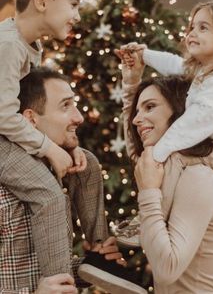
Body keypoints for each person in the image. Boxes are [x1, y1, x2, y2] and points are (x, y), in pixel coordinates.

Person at [0, 67, 146, 294]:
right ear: (31, 119)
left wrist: (86, 266)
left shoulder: (57, 170)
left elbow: (29, 270)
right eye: (65, 106)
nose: (79, 117)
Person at [0, 0, 87, 278]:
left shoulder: (28, 46)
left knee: (86, 164)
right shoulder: (8, 46)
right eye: (74, 4)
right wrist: (48, 148)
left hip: (7, 136)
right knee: (48, 196)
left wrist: (63, 143)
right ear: (41, 1)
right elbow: (5, 117)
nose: (77, 15)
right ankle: (58, 280)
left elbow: (27, 112)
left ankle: (97, 251)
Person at [120, 51, 213, 293]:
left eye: (150, 107)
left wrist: (149, 193)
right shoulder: (170, 165)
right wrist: (131, 83)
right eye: (137, 112)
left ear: (181, 113)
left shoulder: (199, 177)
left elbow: (166, 268)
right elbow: (136, 153)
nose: (136, 120)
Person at [119, 0, 213, 163]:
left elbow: (189, 126)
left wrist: (155, 157)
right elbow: (174, 64)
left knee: (179, 159)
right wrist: (144, 55)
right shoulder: (204, 71)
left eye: (203, 28)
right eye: (192, 27)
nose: (192, 33)